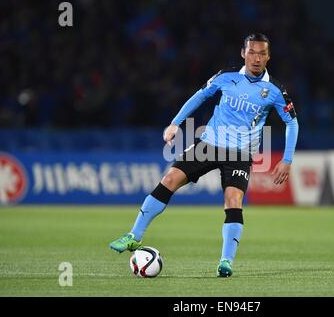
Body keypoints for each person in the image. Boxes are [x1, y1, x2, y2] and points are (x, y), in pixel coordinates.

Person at [109, 33, 299, 277]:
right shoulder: (225, 77)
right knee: (169, 179)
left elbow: (292, 123)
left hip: (239, 154)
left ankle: (225, 262)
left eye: (262, 53)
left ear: (268, 57)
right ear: (243, 53)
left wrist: (287, 159)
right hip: (208, 143)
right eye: (251, 52)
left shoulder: (274, 90)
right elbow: (200, 96)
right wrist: (175, 123)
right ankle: (134, 236)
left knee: (233, 201)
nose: (256, 58)